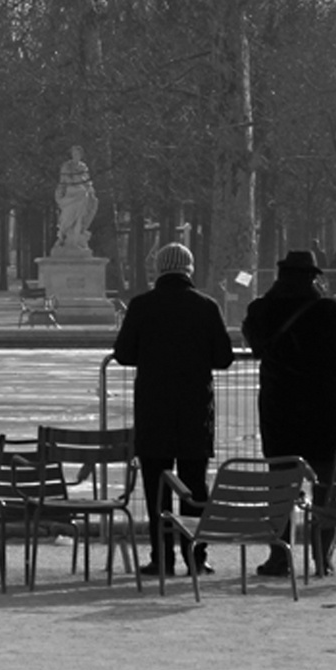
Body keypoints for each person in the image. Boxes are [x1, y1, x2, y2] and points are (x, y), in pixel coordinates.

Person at [243, 249, 336, 577]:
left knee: (279, 484)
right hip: (324, 408)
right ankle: (321, 555)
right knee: (326, 483)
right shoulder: (328, 310)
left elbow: (253, 338)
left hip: (280, 407)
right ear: (313, 277)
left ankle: (279, 554)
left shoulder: (264, 309)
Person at [112, 242, 235, 577]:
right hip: (195, 407)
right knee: (195, 486)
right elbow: (223, 357)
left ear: (159, 269)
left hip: (154, 407)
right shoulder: (206, 307)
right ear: (189, 269)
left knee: (157, 487)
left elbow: (124, 353)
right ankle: (196, 555)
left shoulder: (141, 306)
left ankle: (161, 556)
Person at [53, 145, 98, 253]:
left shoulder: (83, 167)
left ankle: (76, 240)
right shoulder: (66, 167)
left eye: (78, 154)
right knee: (67, 217)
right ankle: (63, 236)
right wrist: (59, 193)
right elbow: (62, 182)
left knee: (80, 218)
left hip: (81, 195)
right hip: (71, 194)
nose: (76, 156)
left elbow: (87, 182)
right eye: (74, 154)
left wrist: (91, 191)